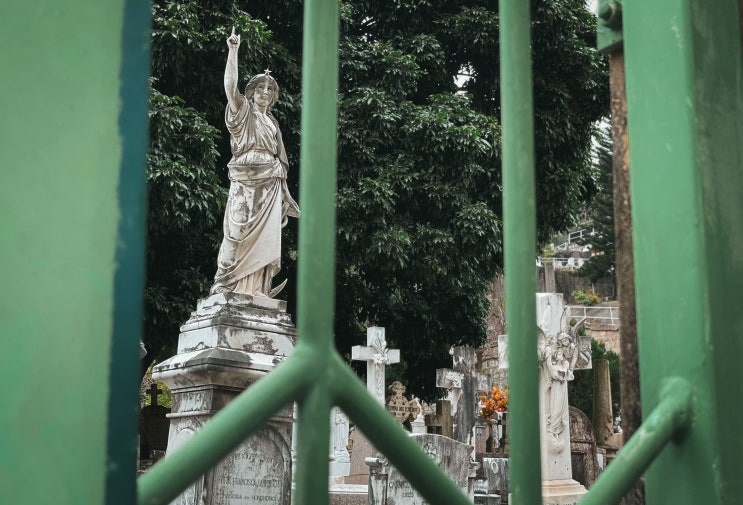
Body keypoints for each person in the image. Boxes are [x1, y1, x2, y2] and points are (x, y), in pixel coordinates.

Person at [210, 27, 300, 298]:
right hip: (245, 177)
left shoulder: (273, 124)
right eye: (260, 87)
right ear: (251, 93)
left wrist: (284, 194)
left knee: (265, 238)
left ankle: (258, 289)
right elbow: (230, 87)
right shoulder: (244, 113)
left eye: (270, 89)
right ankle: (226, 284)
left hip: (270, 183)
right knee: (236, 232)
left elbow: (281, 161)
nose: (265, 91)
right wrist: (233, 51)